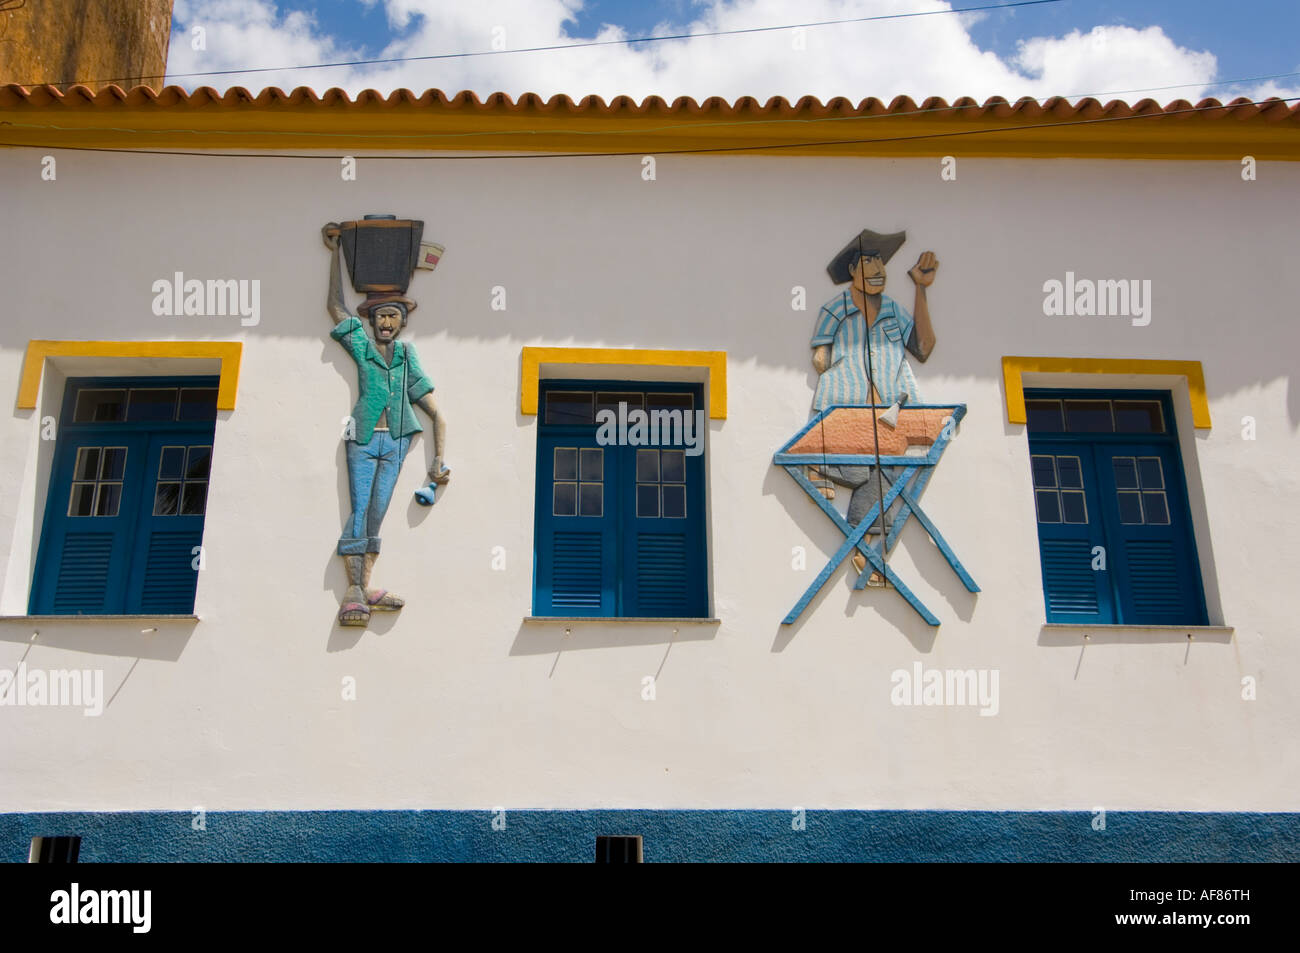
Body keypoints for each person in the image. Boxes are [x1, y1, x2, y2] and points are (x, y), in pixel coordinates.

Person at [323, 226, 450, 626]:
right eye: (380, 316)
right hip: (363, 439)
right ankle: (353, 593)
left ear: (402, 321)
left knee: (377, 512)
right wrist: (334, 253)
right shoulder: (362, 348)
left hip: (395, 441)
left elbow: (434, 411)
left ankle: (364, 587)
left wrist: (439, 459)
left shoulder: (407, 357)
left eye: (393, 315)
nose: (386, 322)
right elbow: (336, 307)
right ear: (373, 320)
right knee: (360, 509)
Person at [808, 228, 939, 583]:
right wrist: (835, 361)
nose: (878, 269)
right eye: (868, 261)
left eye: (880, 261)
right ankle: (820, 467)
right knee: (862, 471)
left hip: (890, 415)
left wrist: (921, 288)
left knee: (880, 473)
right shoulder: (835, 310)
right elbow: (820, 358)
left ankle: (865, 548)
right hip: (847, 415)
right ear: (852, 270)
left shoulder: (894, 311)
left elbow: (923, 347)